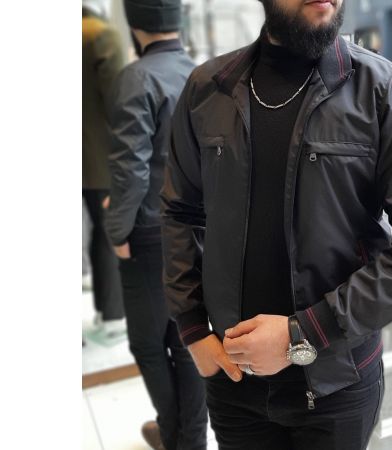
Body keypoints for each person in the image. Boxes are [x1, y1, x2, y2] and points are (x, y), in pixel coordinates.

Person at [160, 0, 392, 449]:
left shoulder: (381, 90)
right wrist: (191, 327)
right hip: (234, 378)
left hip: (337, 384)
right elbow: (180, 211)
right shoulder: (209, 89)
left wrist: (303, 333)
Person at [104, 1, 207, 449]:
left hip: (149, 230)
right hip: (199, 229)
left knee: (147, 345)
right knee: (187, 339)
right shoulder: (204, 73)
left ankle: (174, 435)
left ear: (134, 23)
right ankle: (190, 439)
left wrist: (116, 229)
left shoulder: (137, 78)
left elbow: (130, 170)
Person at [82, 0, 126, 341]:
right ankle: (112, 316)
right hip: (99, 158)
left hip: (85, 157)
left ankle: (104, 312)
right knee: (109, 232)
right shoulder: (100, 35)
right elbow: (120, 103)